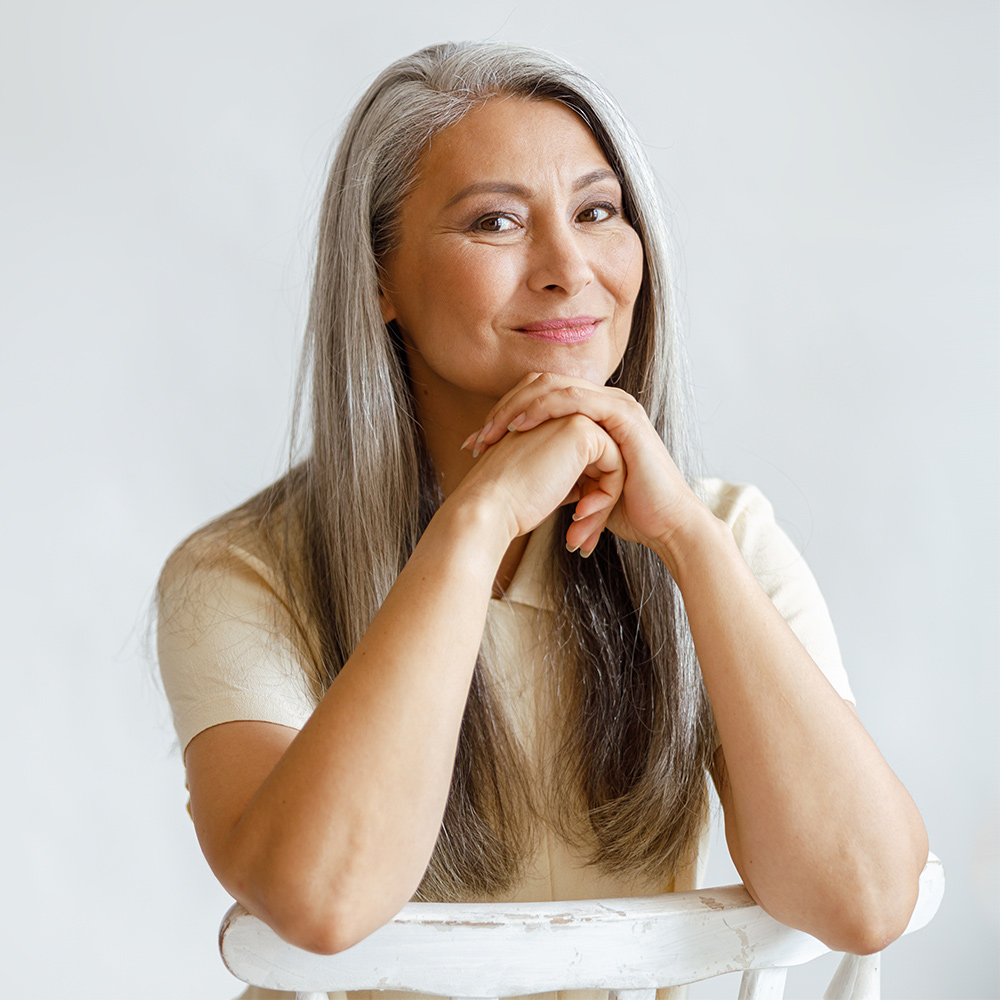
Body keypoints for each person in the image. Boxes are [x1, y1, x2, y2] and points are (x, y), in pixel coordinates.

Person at [157, 41, 928, 1000]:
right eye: (497, 222)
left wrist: (690, 542)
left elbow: (865, 898)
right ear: (379, 278)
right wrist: (476, 522)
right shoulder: (241, 576)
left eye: (598, 212)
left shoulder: (723, 535)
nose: (570, 267)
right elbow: (320, 902)